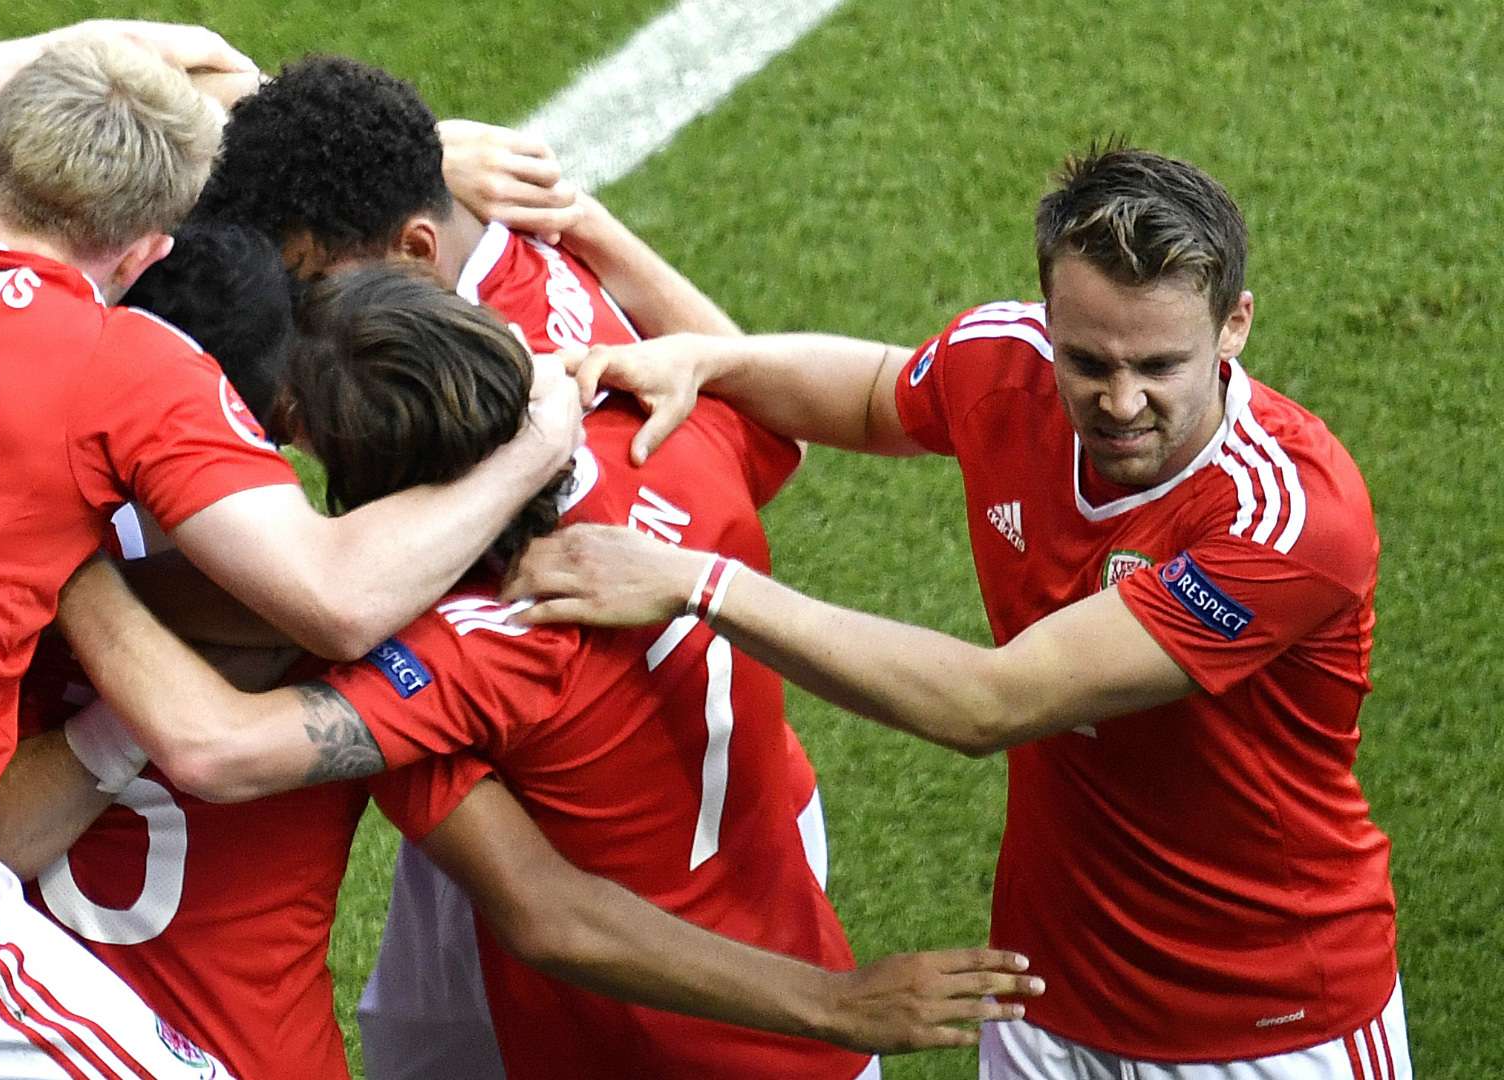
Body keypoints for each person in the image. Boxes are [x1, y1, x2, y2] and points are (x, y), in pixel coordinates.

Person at [0, 22, 578, 1079]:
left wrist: (135, 41)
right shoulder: (123, 365)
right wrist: (537, 441)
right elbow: (336, 596)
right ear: (144, 254)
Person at [502, 145, 1408, 1079]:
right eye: (1088, 361)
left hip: (1272, 1019)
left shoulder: (1284, 519)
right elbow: (874, 395)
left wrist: (702, 584)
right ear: (1049, 319)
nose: (1121, 401)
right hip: (1046, 992)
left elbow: (991, 703)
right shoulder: (1004, 361)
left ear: (1233, 327)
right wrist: (713, 361)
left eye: (1159, 366)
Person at [55, 264, 1042, 1079]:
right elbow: (771, 427)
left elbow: (227, 747)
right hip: (789, 977)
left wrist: (51, 555)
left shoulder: (443, 650)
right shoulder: (661, 432)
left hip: (654, 1040)